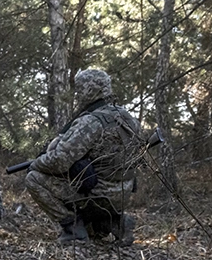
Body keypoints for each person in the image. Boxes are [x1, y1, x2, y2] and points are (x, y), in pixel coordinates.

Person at [25, 69, 143, 244]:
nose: (77, 93)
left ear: (89, 90)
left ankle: (73, 230)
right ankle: (114, 222)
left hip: (99, 194)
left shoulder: (91, 122)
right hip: (124, 193)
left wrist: (35, 164)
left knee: (34, 179)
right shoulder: (128, 118)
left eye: (80, 88)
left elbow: (60, 160)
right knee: (82, 175)